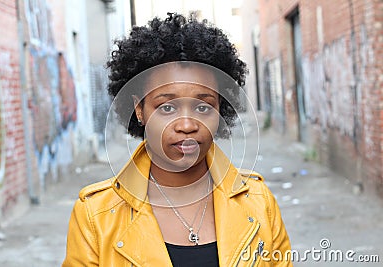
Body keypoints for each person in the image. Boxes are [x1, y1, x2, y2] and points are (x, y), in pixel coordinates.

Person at [63, 13, 292, 267]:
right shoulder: (96, 216)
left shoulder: (260, 202)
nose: (186, 125)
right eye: (167, 108)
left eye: (203, 107)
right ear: (140, 110)